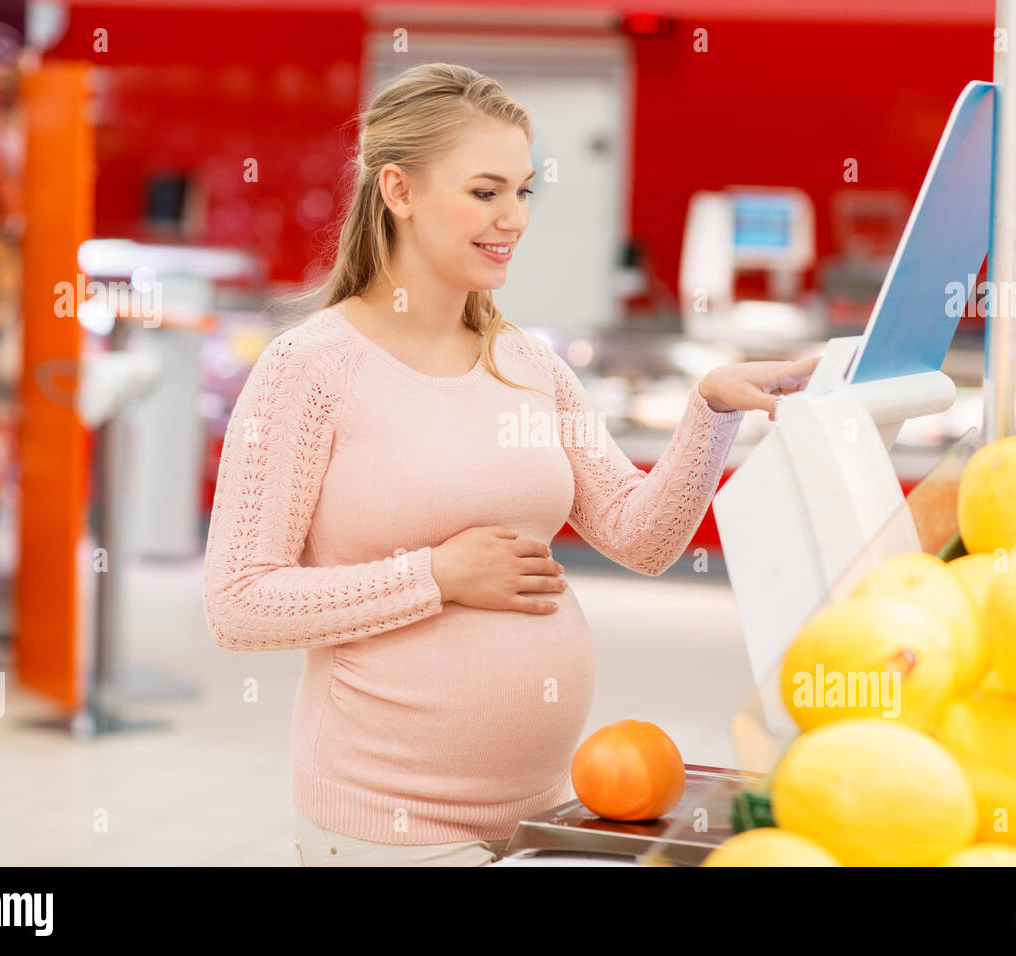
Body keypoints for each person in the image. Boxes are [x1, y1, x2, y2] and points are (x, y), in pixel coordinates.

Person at [202, 62, 819, 867]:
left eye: (525, 191)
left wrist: (712, 411)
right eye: (486, 191)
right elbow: (240, 603)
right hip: (388, 832)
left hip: (543, 814)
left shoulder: (525, 362)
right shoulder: (310, 368)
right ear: (400, 192)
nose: (514, 218)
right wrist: (437, 575)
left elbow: (643, 539)